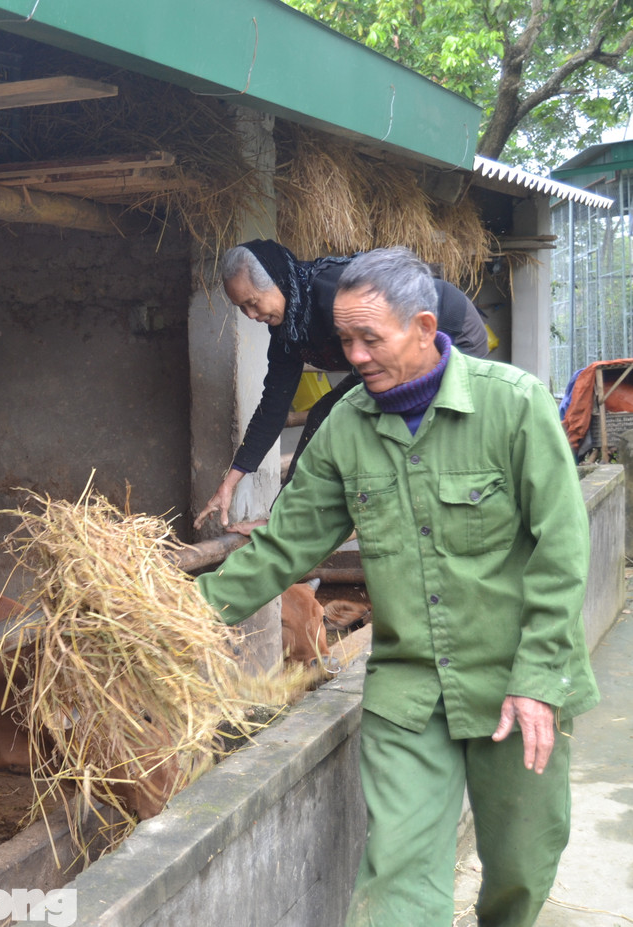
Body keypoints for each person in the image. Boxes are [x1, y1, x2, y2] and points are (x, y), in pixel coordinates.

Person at [196, 246, 599, 927]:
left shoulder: (514, 406)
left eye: (369, 339)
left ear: (422, 327)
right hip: (411, 694)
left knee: (520, 871)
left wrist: (539, 678)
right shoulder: (346, 428)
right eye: (344, 340)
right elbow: (283, 545)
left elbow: (561, 552)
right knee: (398, 883)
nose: (352, 356)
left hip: (515, 680)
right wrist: (179, 613)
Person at [194, 239, 490, 531]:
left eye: (252, 302)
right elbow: (273, 406)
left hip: (447, 327)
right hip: (387, 356)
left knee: (389, 421)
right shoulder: (287, 331)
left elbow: (384, 347)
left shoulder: (331, 293)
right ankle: (286, 520)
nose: (250, 315)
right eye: (242, 308)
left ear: (276, 281)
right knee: (327, 414)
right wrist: (229, 483)